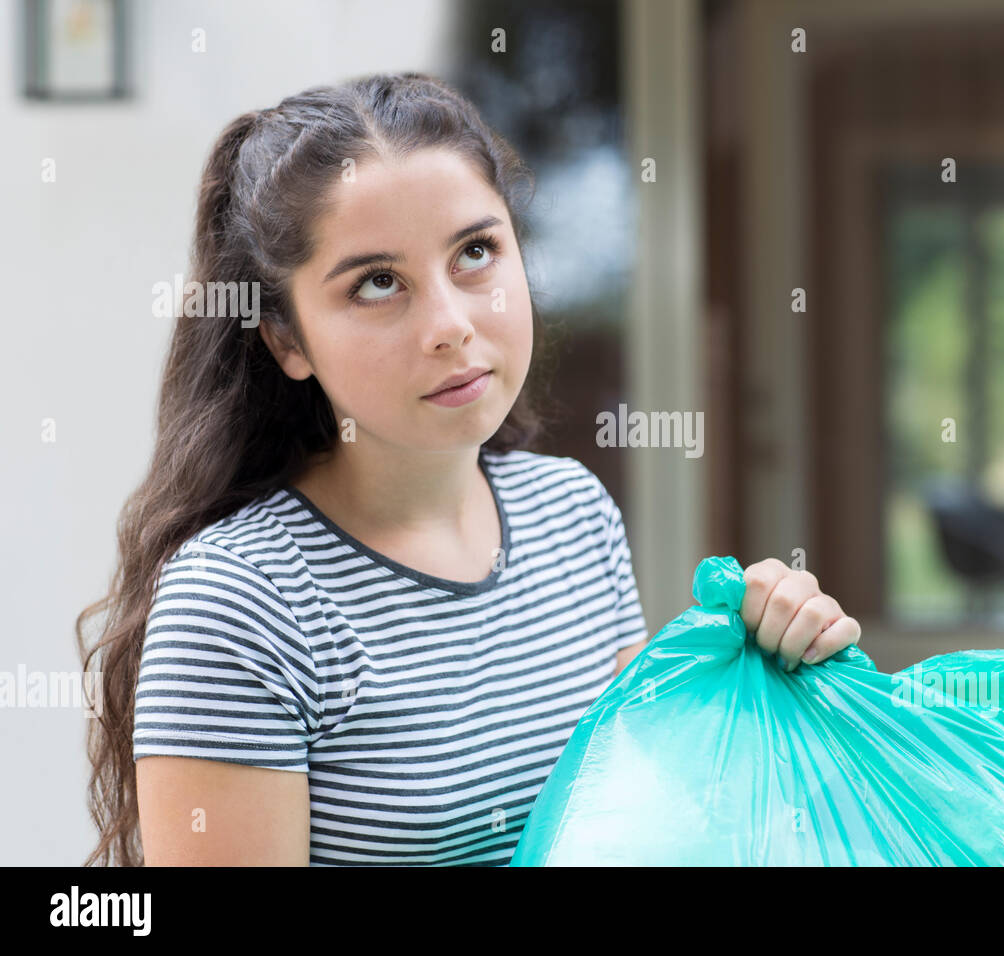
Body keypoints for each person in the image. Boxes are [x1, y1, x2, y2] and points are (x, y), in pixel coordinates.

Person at [75, 72, 862, 867]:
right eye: (378, 284)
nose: (450, 325)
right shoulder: (242, 599)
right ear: (287, 340)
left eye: (476, 252)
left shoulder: (573, 514)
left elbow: (656, 822)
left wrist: (766, 676)